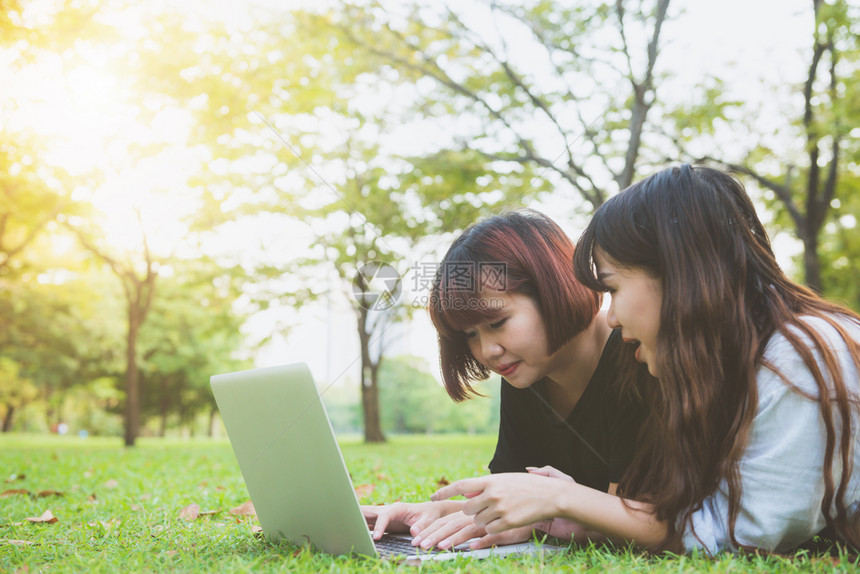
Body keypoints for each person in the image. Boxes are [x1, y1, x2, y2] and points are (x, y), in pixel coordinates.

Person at [432, 165, 860, 554]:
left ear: (678, 275)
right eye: (471, 333)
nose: (611, 316)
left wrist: (565, 499)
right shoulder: (726, 364)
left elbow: (740, 531)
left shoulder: (800, 356)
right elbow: (687, 508)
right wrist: (571, 514)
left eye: (613, 288)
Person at [362, 208, 647, 550]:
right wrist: (428, 512)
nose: (488, 351)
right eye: (470, 334)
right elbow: (516, 500)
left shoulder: (639, 356)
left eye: (497, 323)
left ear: (553, 289)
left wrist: (540, 518)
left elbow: (638, 520)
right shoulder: (526, 372)